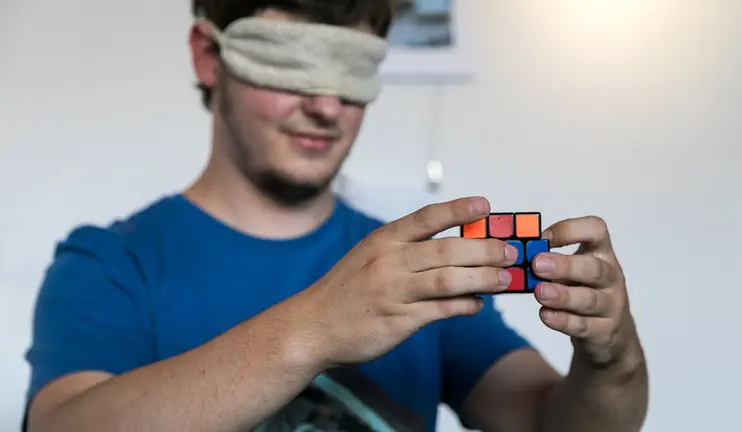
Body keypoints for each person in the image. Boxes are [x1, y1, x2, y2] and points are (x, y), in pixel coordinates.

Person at [22, 1, 649, 431]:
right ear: (209, 57)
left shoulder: (414, 273)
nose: (327, 104)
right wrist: (317, 327)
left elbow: (550, 422)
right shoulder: (111, 264)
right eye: (291, 64)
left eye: (352, 71)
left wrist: (611, 360)